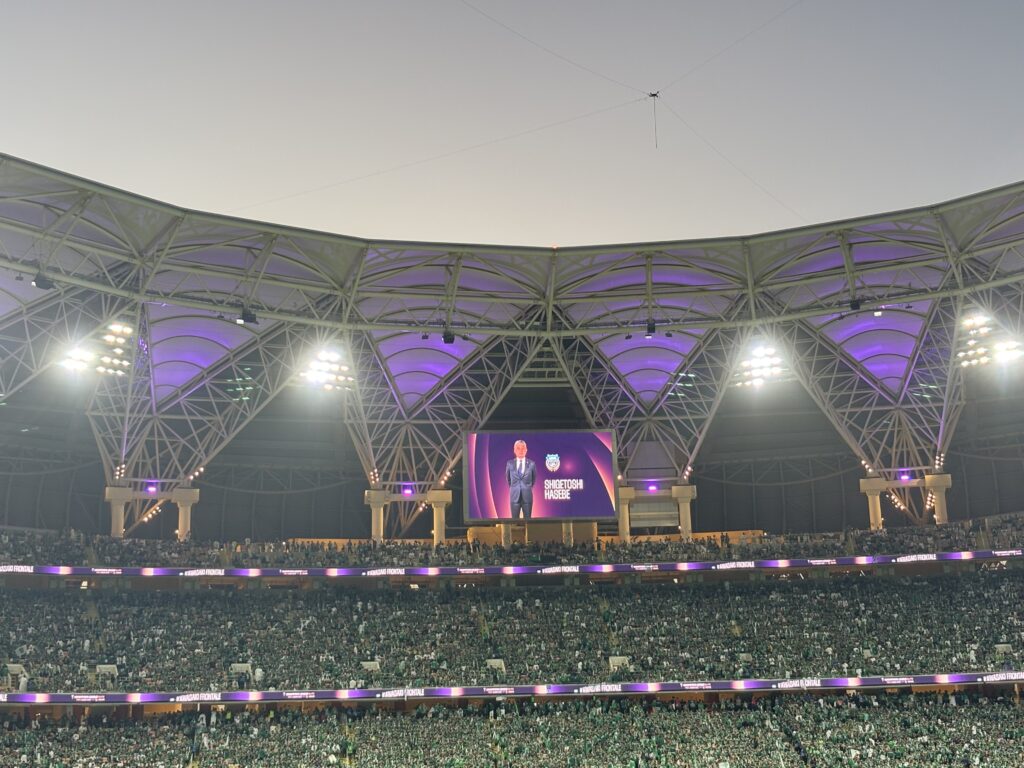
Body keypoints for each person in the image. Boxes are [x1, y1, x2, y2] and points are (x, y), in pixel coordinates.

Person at [505, 440, 536, 520]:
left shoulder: (532, 464)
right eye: (518, 448)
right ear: (514, 450)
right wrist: (515, 487)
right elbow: (508, 479)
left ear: (526, 450)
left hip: (527, 496)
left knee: (528, 521)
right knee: (514, 521)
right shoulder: (510, 463)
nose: (521, 450)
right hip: (514, 496)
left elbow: (533, 479)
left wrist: (526, 487)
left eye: (523, 448)